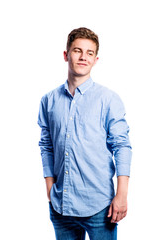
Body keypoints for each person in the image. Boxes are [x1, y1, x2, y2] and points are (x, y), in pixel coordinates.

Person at [38, 27, 132, 240]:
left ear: (96, 59)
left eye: (89, 53)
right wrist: (50, 190)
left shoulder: (108, 99)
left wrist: (122, 194)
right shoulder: (48, 101)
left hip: (100, 207)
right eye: (77, 50)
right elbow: (46, 146)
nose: (83, 57)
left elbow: (122, 146)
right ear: (66, 55)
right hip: (61, 206)